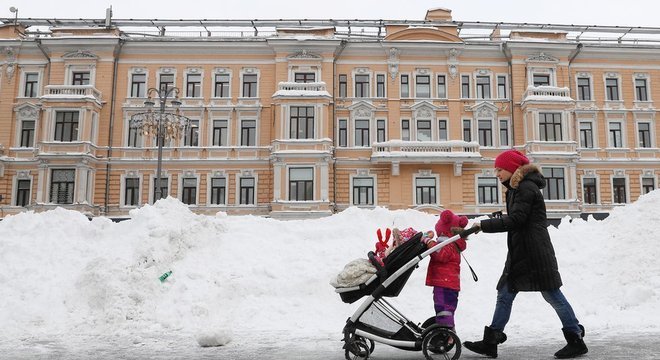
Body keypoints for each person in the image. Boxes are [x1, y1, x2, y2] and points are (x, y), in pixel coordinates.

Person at [463, 149, 588, 359]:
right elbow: (519, 218)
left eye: (500, 169)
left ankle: (576, 339)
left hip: (535, 252)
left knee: (552, 295)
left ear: (512, 168)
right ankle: (490, 342)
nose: (497, 174)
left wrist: (482, 225)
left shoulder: (526, 188)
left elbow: (517, 220)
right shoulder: (515, 189)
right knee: (504, 293)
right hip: (522, 251)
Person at [423, 209, 469, 331]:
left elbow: (440, 254)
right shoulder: (452, 242)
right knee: (444, 308)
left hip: (445, 284)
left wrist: (428, 242)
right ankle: (447, 330)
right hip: (446, 283)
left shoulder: (448, 243)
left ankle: (447, 333)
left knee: (444, 308)